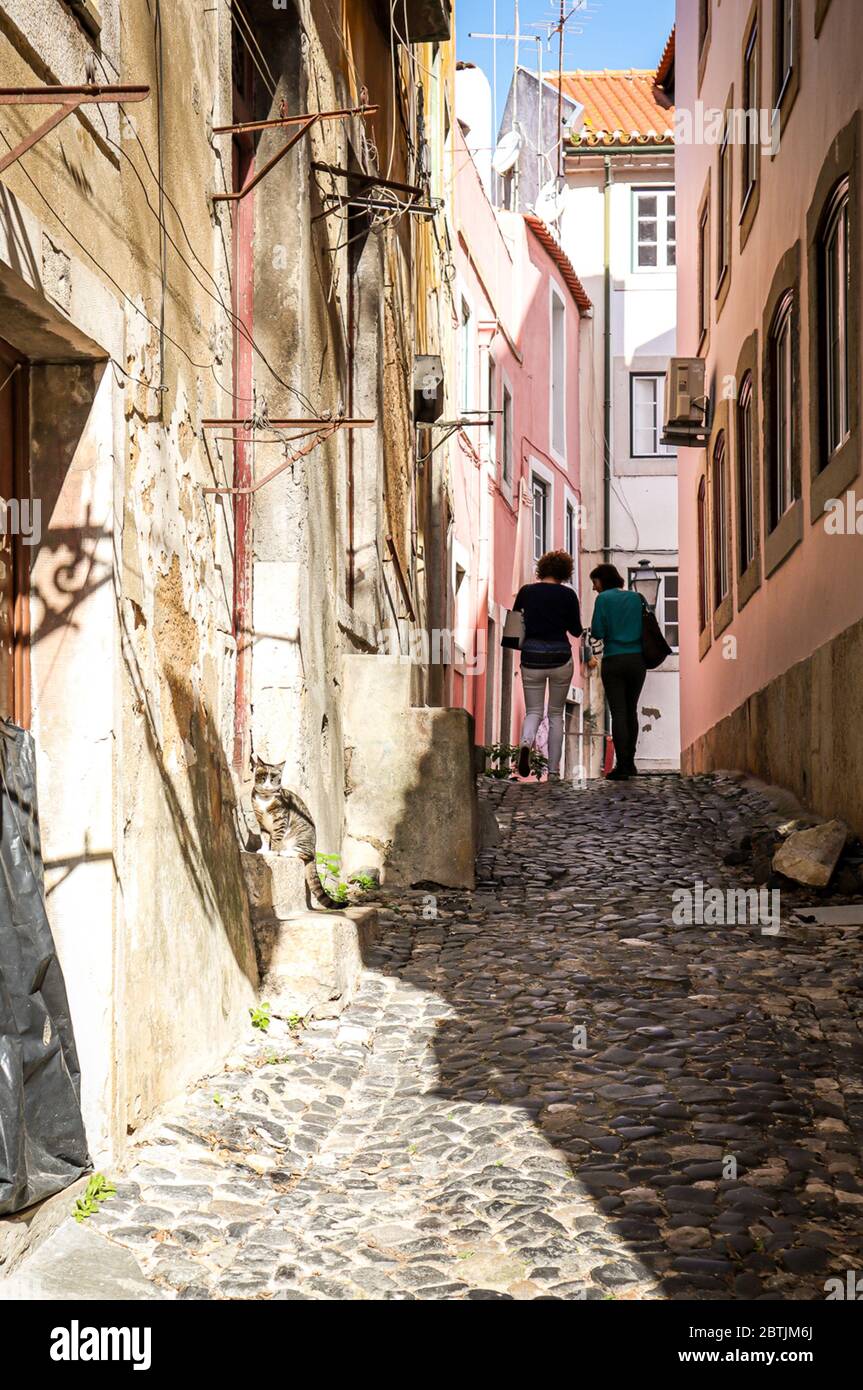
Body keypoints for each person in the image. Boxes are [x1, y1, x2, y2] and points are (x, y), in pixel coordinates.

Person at [512, 550, 582, 780]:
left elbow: (513, 625)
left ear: (541, 569)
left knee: (533, 711)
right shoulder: (568, 595)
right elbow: (575, 630)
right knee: (555, 715)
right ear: (565, 572)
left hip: (531, 657)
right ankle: (553, 771)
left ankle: (525, 743)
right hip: (560, 657)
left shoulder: (526, 592)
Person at [588, 563, 646, 780]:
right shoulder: (636, 598)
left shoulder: (603, 599)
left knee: (619, 713)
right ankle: (630, 762)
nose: (595, 588)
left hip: (615, 659)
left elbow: (598, 631)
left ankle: (622, 766)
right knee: (632, 710)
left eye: (595, 583)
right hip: (637, 661)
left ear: (602, 580)